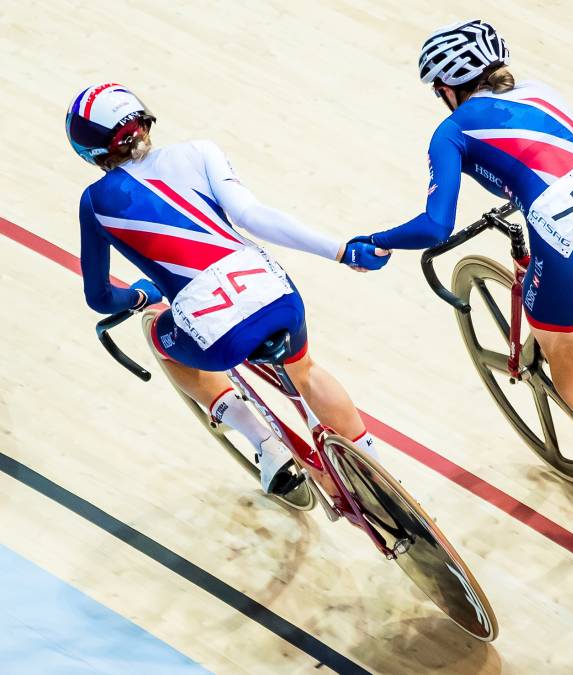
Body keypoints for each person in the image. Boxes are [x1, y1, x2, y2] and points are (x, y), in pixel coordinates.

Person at [361, 21, 573, 528]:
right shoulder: (545, 93)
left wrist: (377, 241)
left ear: (446, 89)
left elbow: (436, 225)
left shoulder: (452, 130)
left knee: (556, 343)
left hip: (570, 236)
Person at [68, 83, 391, 494]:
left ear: (93, 155)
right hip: (273, 293)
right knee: (305, 370)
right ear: (144, 119)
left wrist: (139, 297)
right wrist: (342, 251)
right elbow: (252, 216)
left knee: (157, 328)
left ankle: (265, 443)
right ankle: (384, 480)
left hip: (212, 331)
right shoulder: (200, 150)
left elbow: (98, 299)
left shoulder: (93, 202)